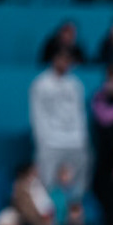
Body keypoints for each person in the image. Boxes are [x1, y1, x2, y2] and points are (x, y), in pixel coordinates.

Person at [30, 52, 90, 198]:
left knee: (77, 187)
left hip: (74, 142)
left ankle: (75, 216)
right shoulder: (41, 84)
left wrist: (82, 138)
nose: (65, 63)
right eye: (62, 59)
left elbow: (80, 114)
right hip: (50, 143)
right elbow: (37, 114)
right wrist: (42, 141)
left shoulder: (75, 84)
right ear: (54, 59)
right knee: (47, 186)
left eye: (68, 60)